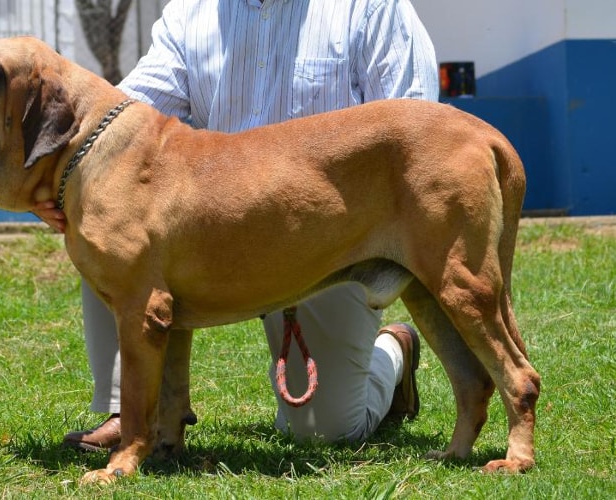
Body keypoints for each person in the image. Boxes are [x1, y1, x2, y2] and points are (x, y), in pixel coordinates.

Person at [35, 0, 439, 448]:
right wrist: (52, 175)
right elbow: (122, 116)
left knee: (322, 433)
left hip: (326, 246)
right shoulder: (191, 12)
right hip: (219, 233)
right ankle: (131, 415)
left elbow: (416, 133)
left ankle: (393, 351)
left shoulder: (371, 7)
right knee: (111, 230)